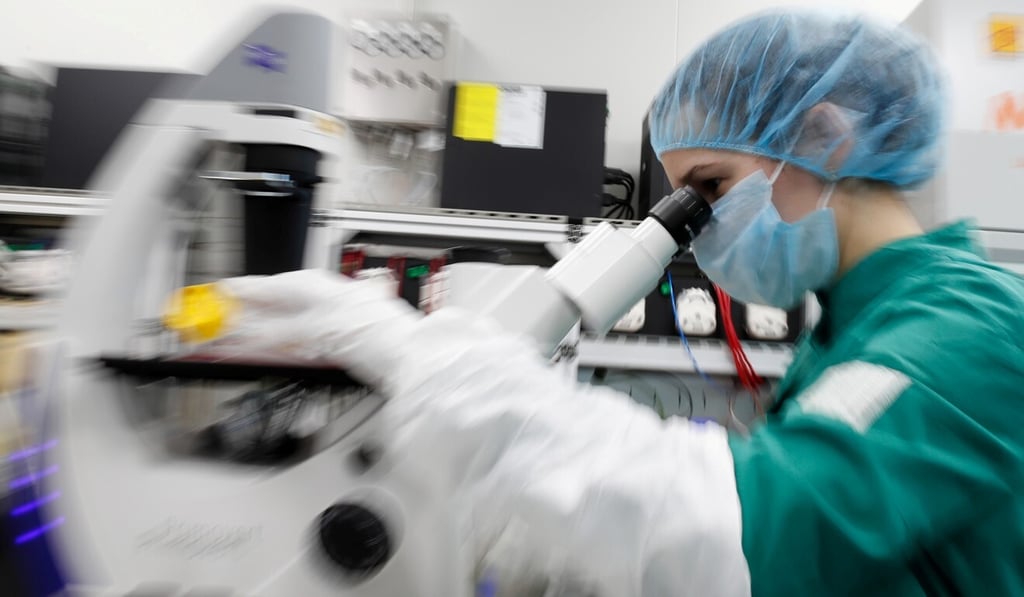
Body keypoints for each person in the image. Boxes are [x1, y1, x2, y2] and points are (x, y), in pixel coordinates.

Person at [215, 9, 1024, 596]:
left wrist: (440, 367)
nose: (698, 233)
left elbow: (748, 532)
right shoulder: (851, 325)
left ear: (822, 139)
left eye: (708, 189)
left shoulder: (969, 328)